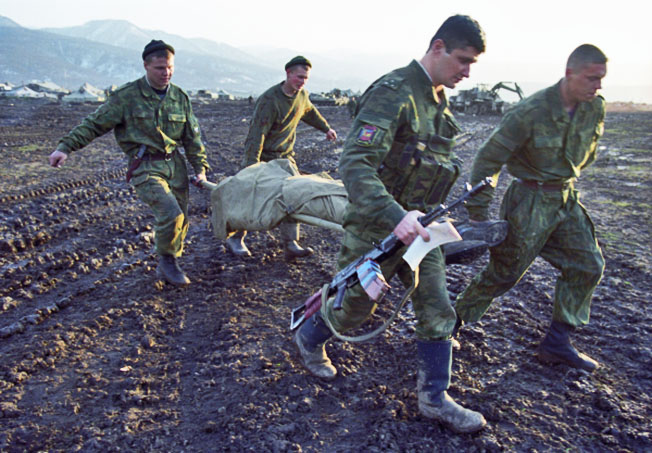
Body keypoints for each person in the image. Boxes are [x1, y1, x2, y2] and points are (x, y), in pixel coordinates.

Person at [294, 15, 487, 434]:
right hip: (376, 227)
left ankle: (435, 398)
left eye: (473, 64)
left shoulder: (438, 100)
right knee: (354, 310)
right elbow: (355, 163)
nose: (467, 72)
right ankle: (309, 338)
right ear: (438, 47)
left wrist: (428, 215)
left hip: (422, 228)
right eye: (463, 60)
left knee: (437, 307)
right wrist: (395, 216)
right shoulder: (393, 92)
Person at [454, 44, 608, 373]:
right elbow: (488, 158)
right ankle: (448, 325)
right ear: (570, 74)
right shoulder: (530, 111)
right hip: (529, 201)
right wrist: (479, 212)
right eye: (592, 78)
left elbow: (588, 153)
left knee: (588, 264)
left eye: (601, 80)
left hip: (565, 199)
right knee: (503, 274)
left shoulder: (594, 108)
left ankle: (557, 343)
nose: (598, 86)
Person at [48, 40, 209, 287]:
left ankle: (171, 260)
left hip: (174, 166)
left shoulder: (179, 97)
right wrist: (65, 147)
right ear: (146, 66)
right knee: (170, 213)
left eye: (169, 67)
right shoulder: (127, 96)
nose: (166, 73)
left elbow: (192, 137)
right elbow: (94, 124)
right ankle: (167, 261)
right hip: (145, 166)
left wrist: (199, 169)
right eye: (159, 68)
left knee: (182, 219)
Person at [226, 56, 338, 259]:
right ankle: (236, 237)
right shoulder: (269, 100)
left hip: (286, 158)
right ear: (288, 74)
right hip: (265, 157)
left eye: (306, 78)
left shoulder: (302, 95)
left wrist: (326, 128)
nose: (302, 81)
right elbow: (256, 134)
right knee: (252, 196)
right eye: (299, 77)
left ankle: (291, 243)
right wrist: (252, 166)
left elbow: (310, 112)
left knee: (293, 195)